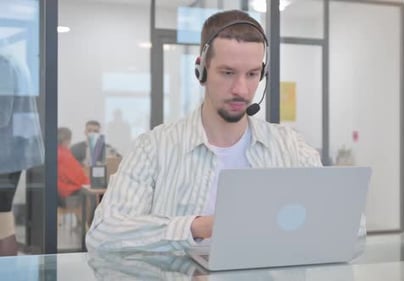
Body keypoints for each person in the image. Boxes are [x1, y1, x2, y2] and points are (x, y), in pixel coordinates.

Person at [86, 9, 337, 252]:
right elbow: (103, 234)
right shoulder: (154, 147)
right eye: (228, 73)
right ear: (201, 69)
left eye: (252, 74)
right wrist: (200, 227)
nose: (241, 89)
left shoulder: (290, 147)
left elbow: (346, 227)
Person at [0, 53, 44, 256]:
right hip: (9, 155)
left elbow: (2, 113)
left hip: (6, 158)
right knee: (3, 221)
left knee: (2, 221)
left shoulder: (4, 64)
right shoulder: (10, 61)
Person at [57, 127, 89, 201]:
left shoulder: (57, 151)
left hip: (59, 188)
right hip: (66, 190)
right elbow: (76, 177)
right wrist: (90, 182)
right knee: (92, 193)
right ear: (67, 140)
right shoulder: (64, 154)